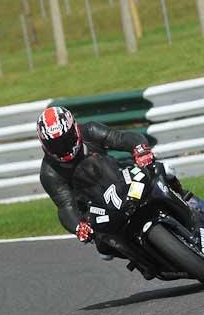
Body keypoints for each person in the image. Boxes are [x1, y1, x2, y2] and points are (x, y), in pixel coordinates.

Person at [37, 106, 203, 275]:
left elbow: (122, 138)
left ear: (74, 129)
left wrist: (139, 150)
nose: (63, 147)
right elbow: (65, 206)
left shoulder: (90, 131)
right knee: (104, 249)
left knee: (164, 170)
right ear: (44, 144)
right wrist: (78, 227)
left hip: (123, 179)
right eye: (56, 144)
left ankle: (192, 203)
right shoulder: (49, 173)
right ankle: (143, 260)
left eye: (66, 140)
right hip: (97, 207)